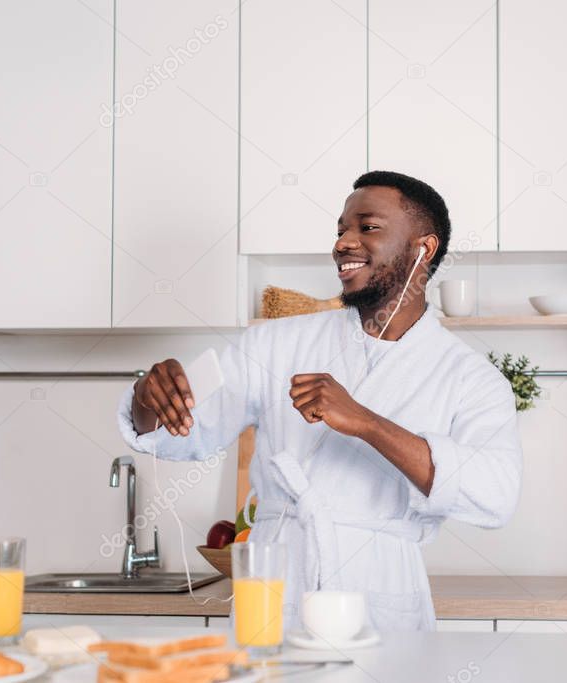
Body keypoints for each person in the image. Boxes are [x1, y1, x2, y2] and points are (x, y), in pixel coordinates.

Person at [117, 170, 523, 631]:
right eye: (340, 229)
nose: (343, 243)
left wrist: (365, 422)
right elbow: (182, 432)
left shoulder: (470, 377)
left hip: (381, 588)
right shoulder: (273, 343)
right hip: (275, 579)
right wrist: (148, 396)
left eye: (367, 227)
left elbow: (495, 495)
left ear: (423, 249)